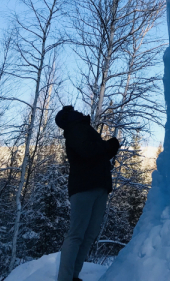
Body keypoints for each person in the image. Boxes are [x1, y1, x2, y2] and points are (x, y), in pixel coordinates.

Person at [55, 105, 120, 281]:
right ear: (68, 117)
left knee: (88, 235)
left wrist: (108, 149)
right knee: (77, 234)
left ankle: (73, 276)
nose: (77, 111)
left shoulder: (81, 128)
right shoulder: (75, 129)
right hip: (84, 187)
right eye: (72, 110)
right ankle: (65, 278)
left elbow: (94, 153)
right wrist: (108, 146)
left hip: (98, 185)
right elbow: (88, 150)